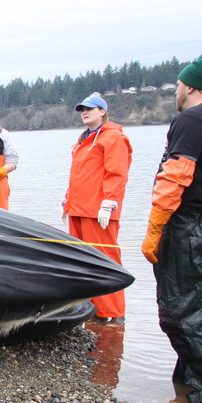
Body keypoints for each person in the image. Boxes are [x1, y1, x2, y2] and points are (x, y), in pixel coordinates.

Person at [141, 54, 202, 403]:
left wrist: (155, 228)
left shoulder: (193, 119)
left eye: (180, 85)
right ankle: (188, 383)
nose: (177, 91)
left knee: (179, 314)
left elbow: (175, 177)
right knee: (193, 311)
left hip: (188, 229)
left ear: (191, 86)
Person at [61, 94, 132, 324]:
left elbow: (117, 173)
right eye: (82, 109)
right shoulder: (84, 139)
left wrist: (109, 203)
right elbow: (80, 175)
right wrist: (67, 201)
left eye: (90, 108)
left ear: (102, 111)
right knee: (82, 260)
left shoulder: (113, 137)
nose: (85, 112)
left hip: (98, 211)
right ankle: (92, 310)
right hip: (79, 208)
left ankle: (114, 312)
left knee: (105, 257)